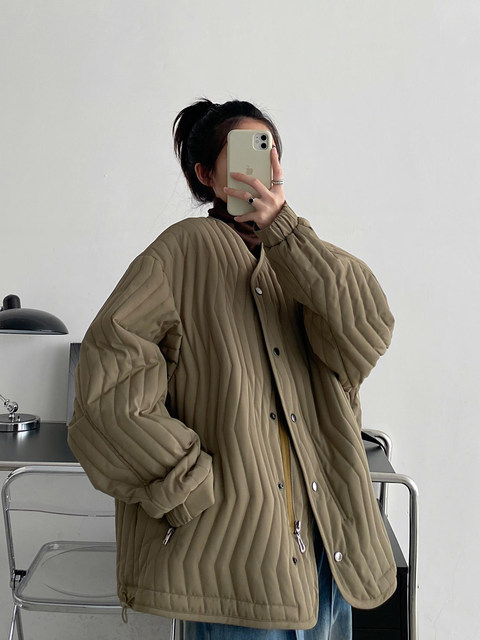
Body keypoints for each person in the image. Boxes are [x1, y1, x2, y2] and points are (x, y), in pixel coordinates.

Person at [68, 98, 397, 640]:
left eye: (270, 150)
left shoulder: (304, 259)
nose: (263, 164)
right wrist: (184, 482)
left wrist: (285, 231)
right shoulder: (179, 254)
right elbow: (108, 394)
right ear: (206, 175)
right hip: (238, 565)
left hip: (328, 554)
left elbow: (368, 332)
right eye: (246, 150)